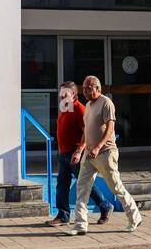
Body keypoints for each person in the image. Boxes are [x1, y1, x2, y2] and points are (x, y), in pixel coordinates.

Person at [63, 75, 143, 235]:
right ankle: (80, 225)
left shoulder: (106, 103)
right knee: (82, 187)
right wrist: (80, 150)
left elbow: (110, 128)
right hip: (89, 154)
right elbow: (86, 131)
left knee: (115, 187)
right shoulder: (89, 106)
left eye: (88, 88)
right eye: (83, 88)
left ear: (97, 88)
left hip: (105, 153)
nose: (85, 91)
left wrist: (98, 147)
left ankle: (135, 217)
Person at [45, 81, 111, 226]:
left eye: (65, 93)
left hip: (75, 155)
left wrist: (79, 151)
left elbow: (87, 133)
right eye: (61, 93)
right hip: (63, 154)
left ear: (74, 94)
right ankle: (63, 216)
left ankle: (105, 206)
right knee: (62, 185)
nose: (62, 96)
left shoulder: (81, 110)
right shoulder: (65, 109)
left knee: (86, 185)